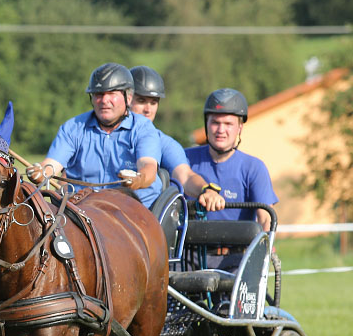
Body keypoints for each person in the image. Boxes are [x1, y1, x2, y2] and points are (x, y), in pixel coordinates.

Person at [33, 62, 162, 207]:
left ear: (129, 97)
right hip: (84, 212)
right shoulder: (72, 128)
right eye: (99, 94)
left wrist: (139, 179)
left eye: (111, 93)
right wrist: (41, 171)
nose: (104, 100)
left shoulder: (144, 128)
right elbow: (52, 165)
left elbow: (148, 167)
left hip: (133, 209)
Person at [129, 66, 225, 212]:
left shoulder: (165, 143)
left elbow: (185, 176)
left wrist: (206, 190)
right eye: (141, 101)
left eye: (153, 102)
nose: (148, 109)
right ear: (126, 100)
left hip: (143, 219)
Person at [184, 88, 277, 230]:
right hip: (191, 250)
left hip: (239, 251)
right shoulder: (184, 160)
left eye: (228, 124)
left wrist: (265, 247)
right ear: (206, 125)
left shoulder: (253, 168)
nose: (221, 130)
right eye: (215, 122)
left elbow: (265, 218)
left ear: (240, 128)